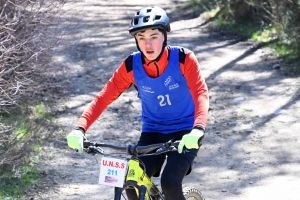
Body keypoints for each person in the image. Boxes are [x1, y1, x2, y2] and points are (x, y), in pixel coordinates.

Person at [67, 6, 209, 200]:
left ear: (165, 35)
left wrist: (198, 129)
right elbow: (103, 98)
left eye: (154, 36)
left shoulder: (184, 59)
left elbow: (200, 93)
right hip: (153, 132)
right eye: (141, 38)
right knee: (130, 182)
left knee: (170, 183)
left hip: (185, 133)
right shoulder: (131, 66)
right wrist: (80, 128)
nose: (148, 44)